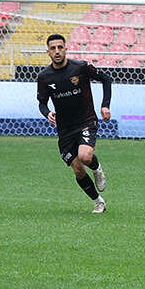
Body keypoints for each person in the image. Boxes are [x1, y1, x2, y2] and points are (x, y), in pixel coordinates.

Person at [37, 33, 113, 213]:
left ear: (66, 49)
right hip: (65, 129)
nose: (57, 51)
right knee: (78, 170)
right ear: (48, 52)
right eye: (53, 48)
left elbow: (106, 79)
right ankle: (98, 202)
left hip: (86, 120)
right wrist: (47, 113)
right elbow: (42, 103)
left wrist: (105, 105)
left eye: (60, 47)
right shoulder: (44, 77)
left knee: (85, 156)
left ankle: (97, 169)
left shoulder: (80, 67)